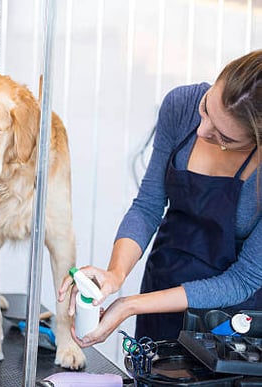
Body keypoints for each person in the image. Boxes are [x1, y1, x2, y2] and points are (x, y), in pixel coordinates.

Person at [58, 49, 262, 347]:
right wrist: (115, 274)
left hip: (228, 324)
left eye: (225, 137)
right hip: (160, 290)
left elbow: (243, 279)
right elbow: (148, 206)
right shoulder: (181, 107)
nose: (203, 129)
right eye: (206, 109)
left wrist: (131, 305)